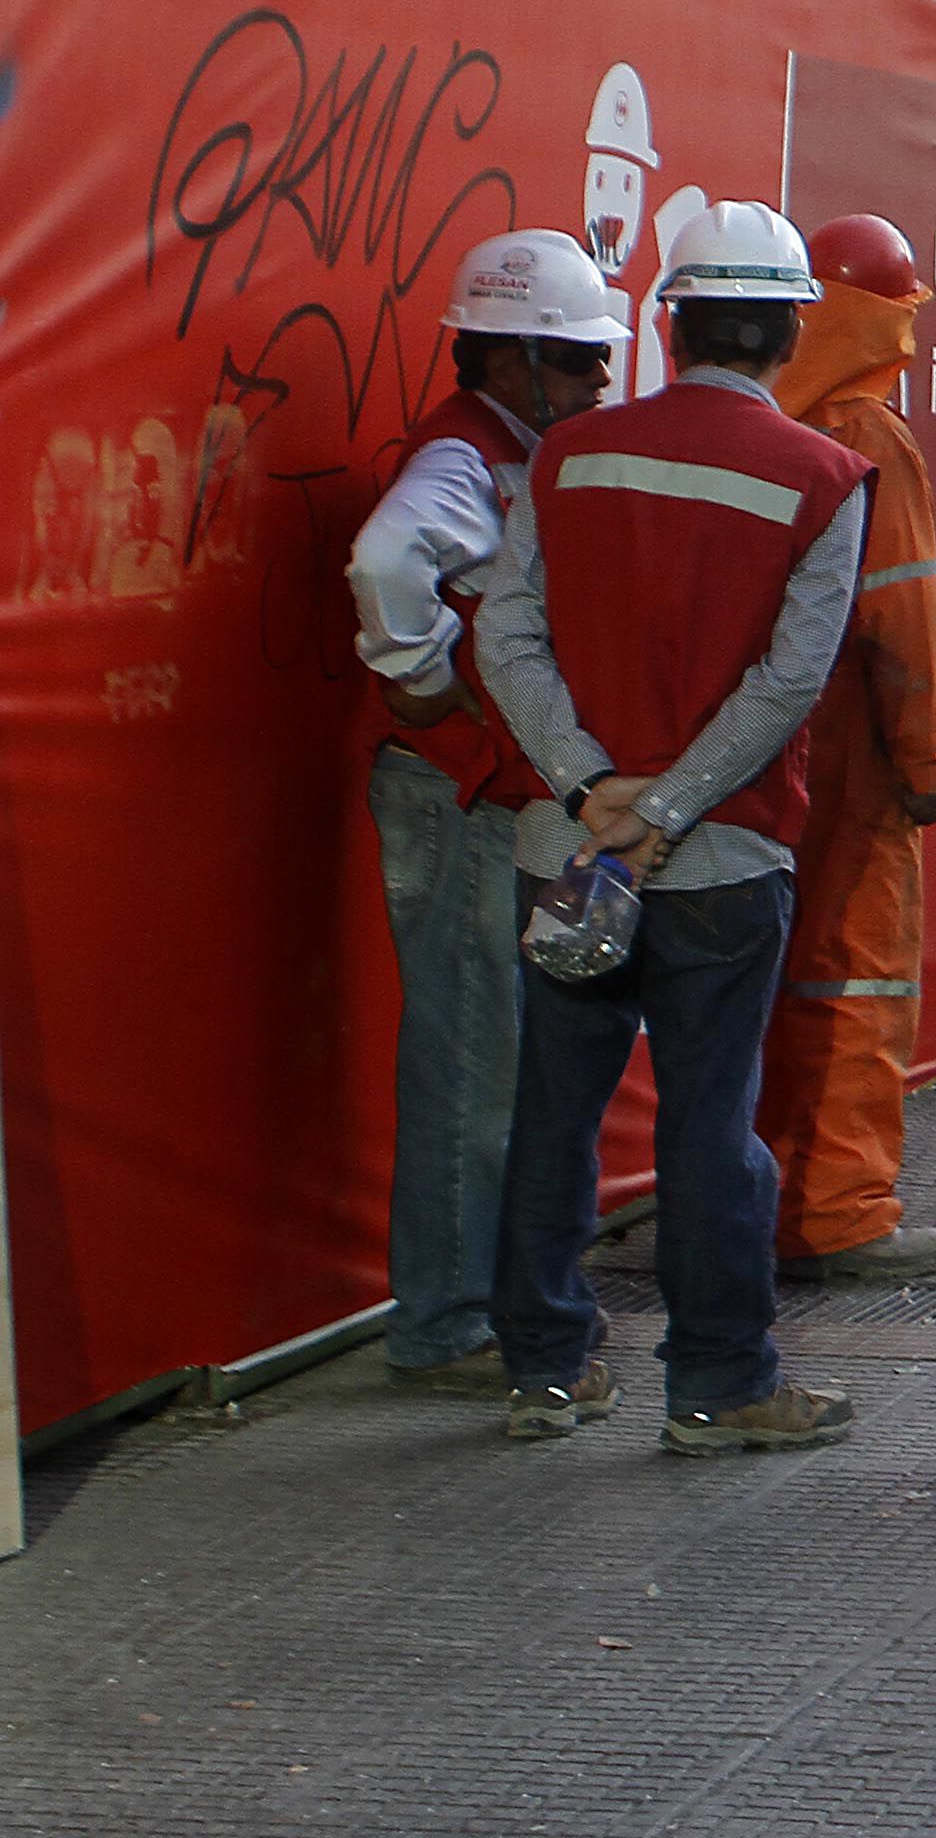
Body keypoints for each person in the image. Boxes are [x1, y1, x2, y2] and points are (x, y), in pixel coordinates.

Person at [473, 203, 866, 1456]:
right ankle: (719, 1386)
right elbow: (792, 681)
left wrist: (593, 788)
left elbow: (503, 635)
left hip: (568, 853)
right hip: (722, 862)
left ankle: (543, 1370)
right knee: (709, 1129)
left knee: (553, 1113)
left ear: (670, 320)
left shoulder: (570, 456)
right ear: (791, 330)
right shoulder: (821, 477)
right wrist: (675, 804)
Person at [344, 229, 624, 1393]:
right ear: (506, 359)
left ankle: (473, 1305)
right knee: (472, 1063)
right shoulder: (467, 461)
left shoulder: (505, 452)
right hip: (454, 798)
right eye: (575, 361)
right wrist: (431, 692)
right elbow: (385, 563)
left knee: (492, 1057)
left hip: (475, 794)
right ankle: (447, 1324)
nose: (601, 382)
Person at [762, 215, 936, 1283]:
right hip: (857, 752)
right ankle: (840, 1212)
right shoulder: (870, 439)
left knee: (768, 975)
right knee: (859, 978)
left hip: (755, 750)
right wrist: (930, 771)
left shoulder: (756, 424)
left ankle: (755, 1191)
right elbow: (905, 623)